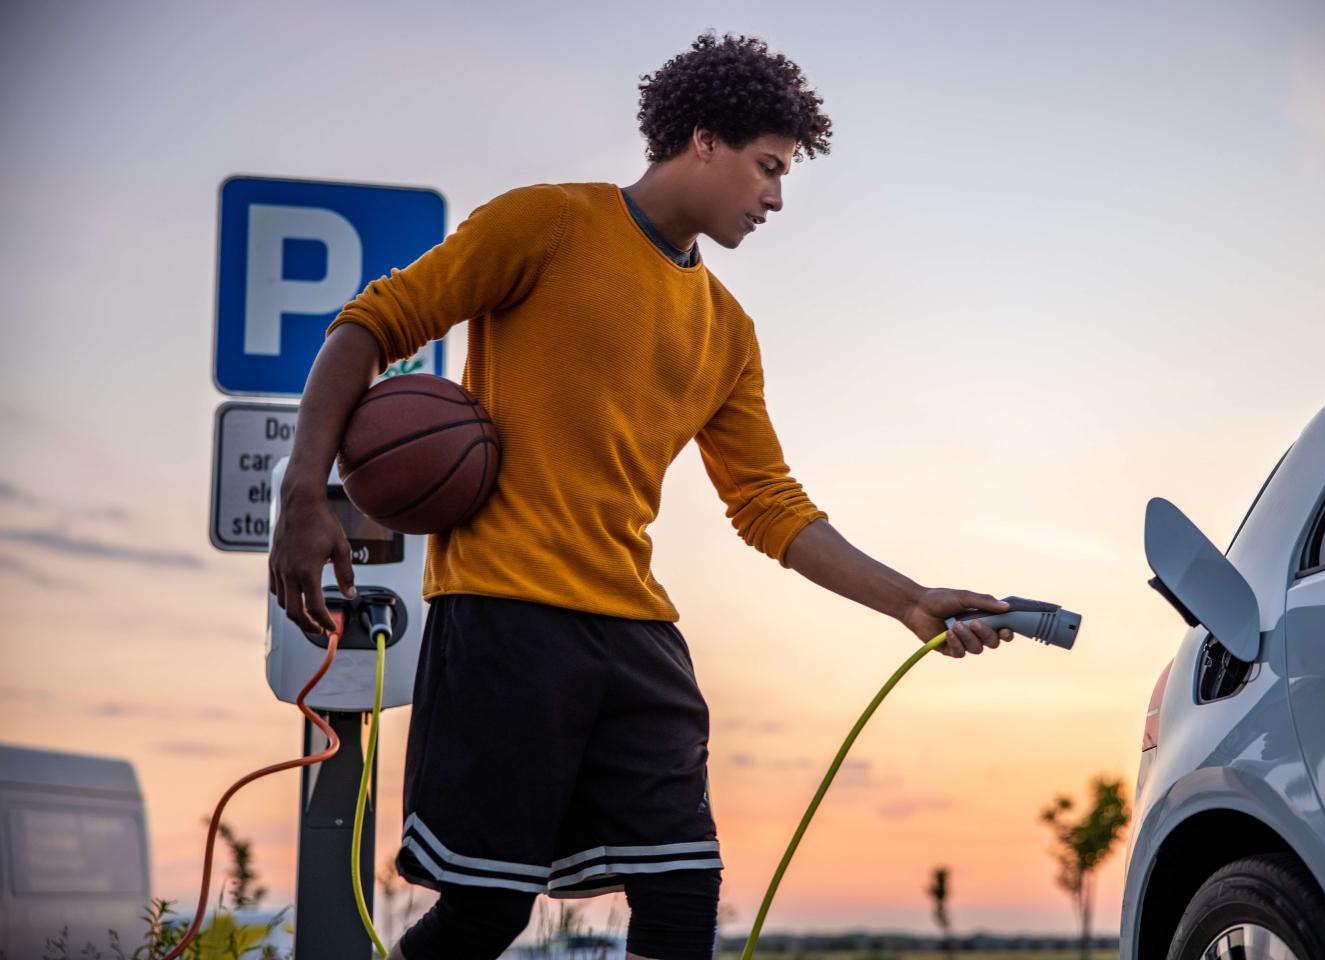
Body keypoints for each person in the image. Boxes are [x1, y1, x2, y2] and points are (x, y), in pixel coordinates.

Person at [268, 30, 1013, 960]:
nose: (778, 196)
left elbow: (768, 503)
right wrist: (305, 490)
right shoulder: (543, 223)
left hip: (636, 633)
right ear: (702, 140)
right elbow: (371, 324)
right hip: (507, 616)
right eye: (767, 167)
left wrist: (911, 599)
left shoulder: (728, 329)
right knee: (489, 909)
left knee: (682, 894)